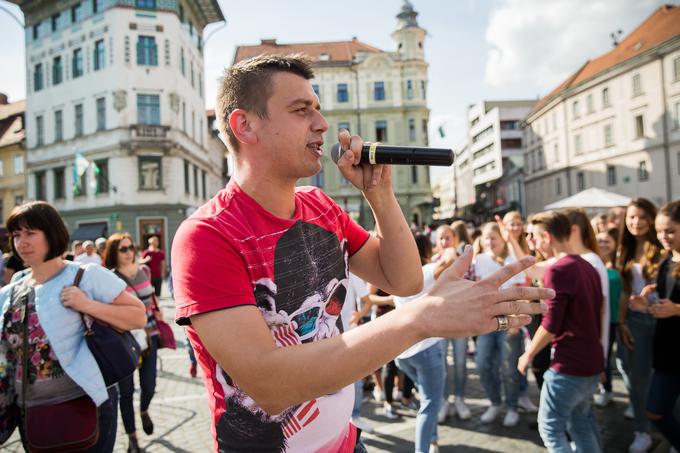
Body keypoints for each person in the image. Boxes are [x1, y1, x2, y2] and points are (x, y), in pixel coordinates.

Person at [170, 54, 551, 452]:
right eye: (301, 111)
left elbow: (401, 278)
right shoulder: (206, 235)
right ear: (244, 125)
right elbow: (267, 383)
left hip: (346, 442)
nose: (322, 124)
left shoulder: (320, 205)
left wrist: (379, 194)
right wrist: (418, 319)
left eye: (318, 109)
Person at [0, 201, 146, 453]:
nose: (21, 242)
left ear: (52, 233)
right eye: (16, 235)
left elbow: (137, 316)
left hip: (85, 406)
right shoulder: (12, 289)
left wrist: (86, 304)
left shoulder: (85, 276)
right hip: (32, 414)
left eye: (30, 233)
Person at [518, 210, 604, 453]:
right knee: (580, 425)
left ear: (547, 237)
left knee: (550, 428)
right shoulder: (587, 265)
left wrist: (528, 354)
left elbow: (551, 324)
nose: (532, 242)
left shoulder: (559, 269)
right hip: (591, 363)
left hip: (569, 365)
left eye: (534, 236)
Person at [628, 200, 680, 450]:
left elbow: (674, 305)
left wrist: (677, 309)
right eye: (660, 231)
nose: (663, 237)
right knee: (655, 412)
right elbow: (666, 300)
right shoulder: (667, 260)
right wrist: (646, 303)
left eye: (670, 231)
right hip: (667, 351)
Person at [103, 233, 161, 453]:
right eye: (123, 249)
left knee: (149, 385)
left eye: (131, 248)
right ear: (113, 253)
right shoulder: (110, 279)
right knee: (126, 392)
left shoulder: (144, 271)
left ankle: (144, 409)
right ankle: (132, 439)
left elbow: (151, 297)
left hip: (150, 335)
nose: (129, 253)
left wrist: (158, 310)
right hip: (123, 340)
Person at [616, 198, 663, 453]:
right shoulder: (625, 249)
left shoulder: (663, 248)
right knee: (637, 380)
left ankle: (672, 432)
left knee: (668, 378)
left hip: (664, 319)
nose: (636, 222)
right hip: (635, 322)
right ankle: (642, 431)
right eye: (632, 217)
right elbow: (625, 291)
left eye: (643, 217)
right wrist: (621, 322)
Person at [473, 222, 525, 427]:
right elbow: (477, 291)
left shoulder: (513, 260)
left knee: (509, 368)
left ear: (502, 239)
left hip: (509, 319)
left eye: (493, 237)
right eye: (485, 237)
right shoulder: (480, 259)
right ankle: (495, 402)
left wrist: (516, 322)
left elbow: (522, 290)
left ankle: (512, 406)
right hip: (487, 321)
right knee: (483, 364)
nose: (489, 241)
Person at [593, 228, 623, 407]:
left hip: (622, 318)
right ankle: (607, 389)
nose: (603, 244)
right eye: (600, 241)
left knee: (623, 361)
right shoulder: (593, 264)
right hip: (603, 319)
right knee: (603, 355)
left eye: (607, 241)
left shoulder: (621, 264)